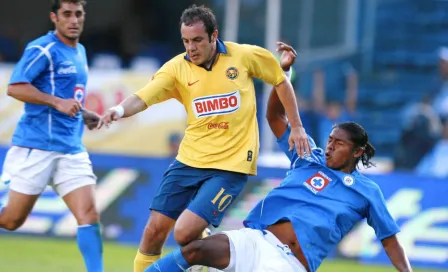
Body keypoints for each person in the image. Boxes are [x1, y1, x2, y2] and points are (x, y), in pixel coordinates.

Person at [144, 43, 413, 272]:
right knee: (194, 251)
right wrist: (281, 73)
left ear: (357, 152)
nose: (329, 147)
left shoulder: (367, 192)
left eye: (338, 144)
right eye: (330, 140)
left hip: (289, 262)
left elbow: (389, 239)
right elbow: (274, 116)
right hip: (256, 239)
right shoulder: (308, 156)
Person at [97, 5, 311, 272]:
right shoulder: (176, 69)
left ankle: (208, 253)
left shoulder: (243, 56)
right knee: (153, 232)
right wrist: (118, 110)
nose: (191, 47)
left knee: (184, 234)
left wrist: (297, 127)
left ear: (213, 36)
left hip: (230, 166)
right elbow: (143, 97)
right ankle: (201, 258)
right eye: (186, 41)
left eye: (197, 40)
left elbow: (280, 80)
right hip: (189, 161)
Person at [0, 1, 103, 271]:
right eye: (66, 14)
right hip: (36, 147)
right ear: (54, 18)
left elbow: (71, 96)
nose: (73, 20)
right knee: (11, 221)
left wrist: (83, 113)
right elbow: (15, 87)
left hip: (71, 148)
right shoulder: (42, 48)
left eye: (78, 14)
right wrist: (57, 102)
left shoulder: (80, 50)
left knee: (89, 215)